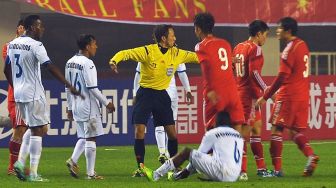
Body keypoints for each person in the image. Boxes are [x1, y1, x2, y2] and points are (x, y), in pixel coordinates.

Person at [109, 24, 199, 177]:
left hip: (162, 96)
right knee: (139, 131)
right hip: (145, 94)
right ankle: (141, 167)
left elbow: (197, 57)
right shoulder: (147, 51)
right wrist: (114, 61)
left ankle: (174, 166)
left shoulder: (176, 53)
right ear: (164, 38)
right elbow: (126, 53)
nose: (175, 38)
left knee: (172, 133)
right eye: (172, 35)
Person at [4, 15, 80, 182]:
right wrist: (69, 84)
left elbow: (6, 69)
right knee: (38, 130)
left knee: (36, 128)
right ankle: (32, 172)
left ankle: (20, 163)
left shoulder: (13, 44)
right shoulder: (36, 45)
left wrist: (15, 86)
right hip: (33, 93)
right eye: (40, 26)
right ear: (32, 28)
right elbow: (50, 66)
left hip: (19, 94)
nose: (42, 29)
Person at [256, 17, 319, 177]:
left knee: (276, 130)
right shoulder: (303, 45)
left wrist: (266, 95)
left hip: (288, 96)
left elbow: (282, 76)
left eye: (279, 28)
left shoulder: (289, 49)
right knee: (293, 132)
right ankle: (311, 155)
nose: (277, 31)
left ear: (288, 31)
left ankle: (277, 171)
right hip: (302, 95)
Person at [65, 34, 115, 180]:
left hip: (75, 105)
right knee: (91, 138)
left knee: (84, 136)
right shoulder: (88, 63)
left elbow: (67, 88)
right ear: (87, 46)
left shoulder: (70, 62)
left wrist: (69, 107)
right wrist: (107, 103)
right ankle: (91, 174)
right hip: (88, 106)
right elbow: (93, 88)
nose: (96, 46)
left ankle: (73, 160)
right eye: (94, 44)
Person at [140, 111, 244, 182]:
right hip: (234, 175)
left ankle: (156, 175)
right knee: (207, 156)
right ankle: (177, 176)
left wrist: (186, 171)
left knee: (187, 152)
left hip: (222, 173)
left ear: (216, 122)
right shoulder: (238, 136)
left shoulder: (214, 133)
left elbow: (198, 155)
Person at [233, 20, 272, 180]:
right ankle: (241, 171)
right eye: (265, 35)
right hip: (248, 96)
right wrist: (267, 90)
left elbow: (232, 69)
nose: (265, 39)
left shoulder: (238, 47)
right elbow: (254, 73)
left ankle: (261, 168)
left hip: (240, 92)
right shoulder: (255, 49)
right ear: (258, 34)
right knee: (244, 133)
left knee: (256, 130)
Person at [193, 12, 245, 132]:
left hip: (216, 93)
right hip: (232, 93)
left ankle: (214, 151)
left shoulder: (200, 46)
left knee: (211, 132)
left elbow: (207, 67)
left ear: (198, 29)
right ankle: (239, 151)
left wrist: (211, 90)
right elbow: (223, 63)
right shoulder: (225, 44)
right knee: (237, 129)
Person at [133, 62, 193, 165]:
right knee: (165, 125)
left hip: (167, 95)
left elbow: (182, 72)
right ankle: (165, 155)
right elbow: (138, 74)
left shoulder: (175, 53)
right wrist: (188, 89)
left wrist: (188, 90)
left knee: (166, 126)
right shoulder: (149, 52)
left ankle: (164, 154)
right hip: (160, 94)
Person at [2, 19, 27, 175]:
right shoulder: (9, 46)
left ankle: (19, 164)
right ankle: (13, 166)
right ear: (17, 29)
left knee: (27, 130)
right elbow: (10, 66)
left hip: (29, 95)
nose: (22, 29)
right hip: (16, 95)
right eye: (21, 27)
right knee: (19, 129)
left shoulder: (33, 46)